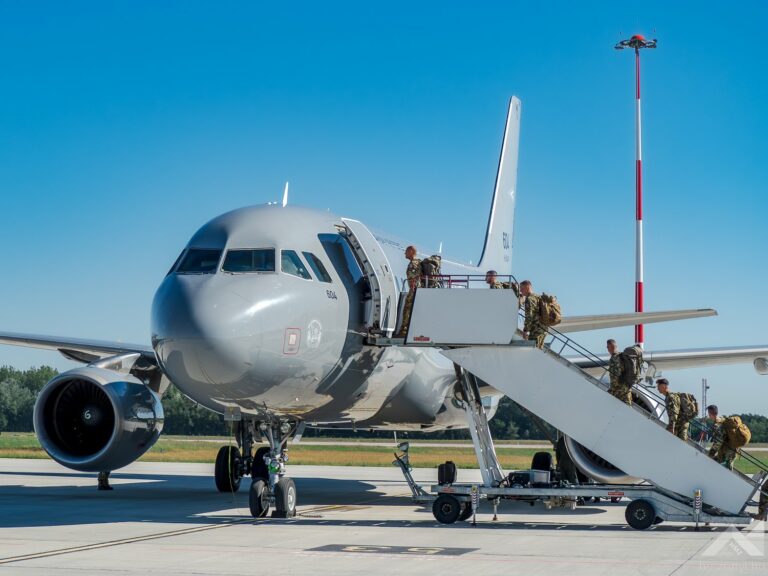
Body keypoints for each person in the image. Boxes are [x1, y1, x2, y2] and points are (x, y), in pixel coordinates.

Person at [395, 246, 421, 337]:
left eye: (406, 251)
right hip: (416, 290)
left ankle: (404, 332)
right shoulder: (418, 262)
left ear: (411, 251)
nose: (405, 253)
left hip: (414, 290)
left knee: (407, 311)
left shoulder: (413, 263)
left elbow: (413, 276)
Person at [520, 280, 546, 349]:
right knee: (539, 350)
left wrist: (526, 330)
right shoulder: (537, 296)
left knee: (535, 351)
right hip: (543, 328)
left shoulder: (529, 299)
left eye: (522, 289)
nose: (520, 291)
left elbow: (529, 316)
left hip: (536, 330)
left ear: (527, 287)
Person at [606, 339, 632, 405]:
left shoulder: (615, 358)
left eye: (608, 347)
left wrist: (612, 389)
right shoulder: (621, 356)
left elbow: (615, 376)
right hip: (625, 389)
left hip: (620, 390)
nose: (608, 349)